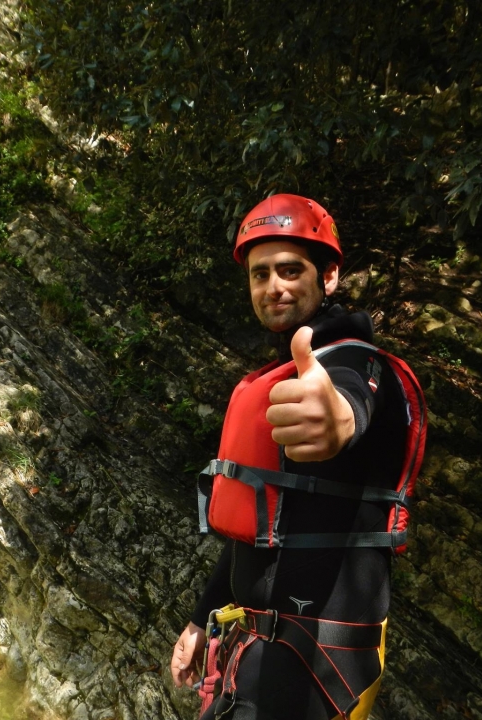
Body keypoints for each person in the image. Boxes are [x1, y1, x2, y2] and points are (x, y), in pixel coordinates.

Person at [169, 194, 426, 720]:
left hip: (321, 664)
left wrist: (339, 419)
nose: (273, 287)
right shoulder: (284, 377)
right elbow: (261, 532)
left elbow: (353, 398)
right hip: (261, 645)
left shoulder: (356, 363)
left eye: (290, 270)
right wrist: (201, 620)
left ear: (329, 276)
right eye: (260, 275)